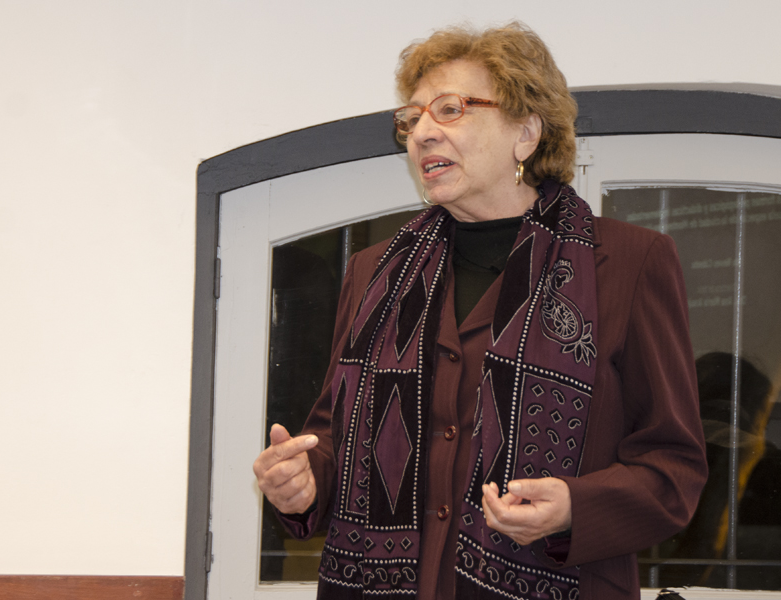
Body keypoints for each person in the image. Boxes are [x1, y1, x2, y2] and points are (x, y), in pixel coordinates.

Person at [253, 22, 707, 600]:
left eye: (451, 109)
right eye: (411, 119)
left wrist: (575, 507)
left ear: (525, 133)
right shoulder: (372, 272)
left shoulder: (629, 262)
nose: (422, 133)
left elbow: (673, 468)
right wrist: (302, 483)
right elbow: (332, 443)